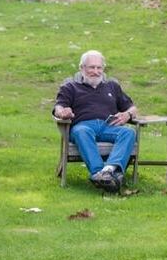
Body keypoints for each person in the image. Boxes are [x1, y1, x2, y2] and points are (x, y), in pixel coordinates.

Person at [53, 50, 138, 192]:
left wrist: (128, 114)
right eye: (91, 67)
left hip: (108, 126)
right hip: (83, 126)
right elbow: (59, 106)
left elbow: (133, 108)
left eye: (99, 68)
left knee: (128, 132)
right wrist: (62, 112)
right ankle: (98, 173)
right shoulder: (71, 87)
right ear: (82, 68)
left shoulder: (112, 86)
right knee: (82, 131)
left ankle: (109, 170)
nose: (95, 71)